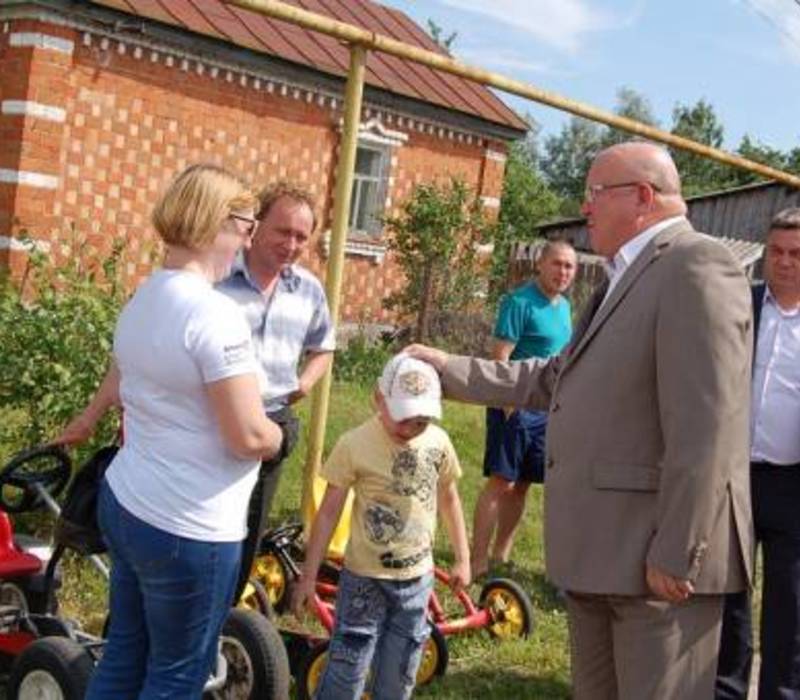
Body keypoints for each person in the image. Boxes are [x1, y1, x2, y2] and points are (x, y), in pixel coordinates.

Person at [408, 141, 754, 700]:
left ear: (642, 196)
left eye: (594, 193)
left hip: (656, 564)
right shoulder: (627, 273)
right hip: (603, 552)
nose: (585, 208)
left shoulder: (696, 264)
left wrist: (679, 549)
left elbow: (708, 423)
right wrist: (448, 369)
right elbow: (554, 377)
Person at [56, 164, 283, 698]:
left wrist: (88, 418)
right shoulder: (215, 315)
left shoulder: (145, 296)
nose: (248, 240)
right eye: (248, 226)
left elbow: (123, 375)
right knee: (176, 677)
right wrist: (280, 438)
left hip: (131, 501)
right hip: (190, 526)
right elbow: (248, 437)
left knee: (124, 656)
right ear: (216, 223)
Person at [292, 353, 470, 700]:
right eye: (404, 418)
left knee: (402, 669)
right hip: (364, 582)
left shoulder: (438, 443)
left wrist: (462, 556)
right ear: (379, 398)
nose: (411, 428)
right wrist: (309, 577)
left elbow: (449, 498)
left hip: (418, 580)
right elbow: (328, 513)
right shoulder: (354, 445)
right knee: (347, 669)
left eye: (421, 420)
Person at [216, 182, 335, 595]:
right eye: (283, 231)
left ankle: (228, 610)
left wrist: (304, 382)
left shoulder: (307, 289)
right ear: (256, 225)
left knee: (250, 523)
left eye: (302, 236)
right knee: (209, 522)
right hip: (216, 420)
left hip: (273, 420)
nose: (292, 244)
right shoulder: (218, 276)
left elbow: (325, 346)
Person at [715, 207, 800, 700]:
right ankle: (725, 690)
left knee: (789, 604)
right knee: (728, 597)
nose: (785, 262)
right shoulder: (741, 306)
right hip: (736, 477)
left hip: (793, 484)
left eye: (796, 253)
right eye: (777, 251)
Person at [473, 239, 576, 579]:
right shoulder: (518, 302)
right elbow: (500, 358)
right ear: (540, 265)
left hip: (547, 411)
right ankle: (477, 560)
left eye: (569, 266)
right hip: (515, 406)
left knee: (524, 485)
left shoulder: (564, 307)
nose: (563, 272)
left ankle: (502, 555)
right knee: (501, 483)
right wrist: (509, 408)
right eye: (558, 264)